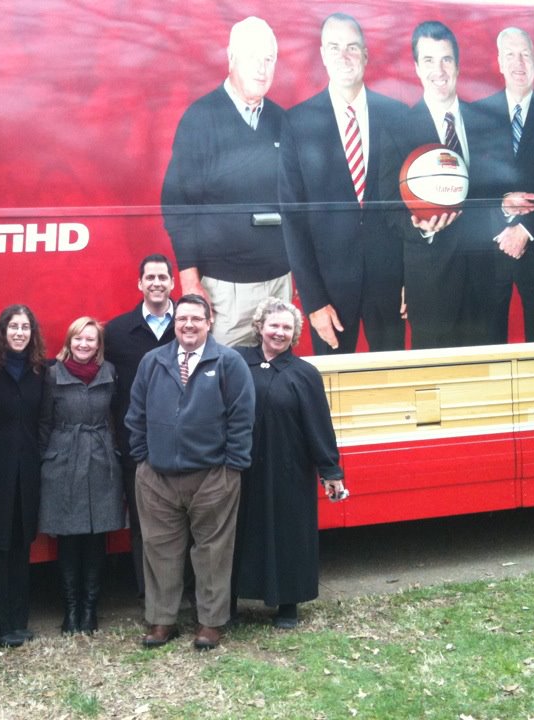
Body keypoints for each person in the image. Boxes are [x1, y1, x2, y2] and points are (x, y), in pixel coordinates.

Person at [126, 293, 255, 650]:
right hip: (157, 478)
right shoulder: (153, 362)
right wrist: (143, 459)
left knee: (212, 553)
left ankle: (210, 623)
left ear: (208, 321)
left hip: (213, 477)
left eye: (196, 318)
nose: (188, 325)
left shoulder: (229, 362)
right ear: (174, 322)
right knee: (159, 551)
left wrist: (232, 468)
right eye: (181, 318)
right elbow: (135, 414)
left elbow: (242, 419)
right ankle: (161, 621)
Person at [279, 13, 407, 354]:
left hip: (391, 284)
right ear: (322, 55)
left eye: (352, 47)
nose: (344, 56)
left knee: (395, 384)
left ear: (365, 55)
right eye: (335, 47)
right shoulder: (297, 123)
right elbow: (293, 218)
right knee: (332, 394)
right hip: (330, 294)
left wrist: (410, 278)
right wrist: (313, 301)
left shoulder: (397, 115)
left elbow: (410, 203)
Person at [161, 16, 291, 346]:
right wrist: (190, 281)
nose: (262, 69)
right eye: (253, 58)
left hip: (279, 283)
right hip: (225, 288)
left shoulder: (282, 121)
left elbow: (298, 202)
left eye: (269, 59)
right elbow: (177, 203)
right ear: (231, 58)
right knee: (226, 382)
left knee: (277, 378)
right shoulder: (200, 118)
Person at [382, 21, 498, 349]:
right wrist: (419, 226)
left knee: (488, 380)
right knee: (435, 384)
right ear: (417, 68)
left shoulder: (484, 122)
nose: (439, 69)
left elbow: (494, 190)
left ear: (458, 66)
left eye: (446, 59)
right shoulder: (397, 128)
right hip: (430, 284)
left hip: (483, 281)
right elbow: (388, 207)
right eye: (429, 60)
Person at [231, 298, 346, 629]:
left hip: (289, 469)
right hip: (242, 466)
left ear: (295, 333)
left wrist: (330, 471)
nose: (279, 332)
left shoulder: (305, 374)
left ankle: (288, 604)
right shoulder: (236, 362)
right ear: (260, 327)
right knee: (237, 533)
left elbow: (319, 426)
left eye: (286, 327)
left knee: (288, 533)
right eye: (273, 325)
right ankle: (229, 601)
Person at [475, 27, 534, 343]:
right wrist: (501, 208)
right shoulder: (477, 115)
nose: (518, 62)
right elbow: (471, 183)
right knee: (490, 342)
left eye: (525, 54)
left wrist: (524, 230)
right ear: (499, 62)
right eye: (510, 54)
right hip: (489, 246)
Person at [39, 317, 125, 634]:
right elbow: (44, 422)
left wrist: (114, 452)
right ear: (69, 341)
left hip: (101, 458)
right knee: (68, 539)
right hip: (63, 460)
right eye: (78, 339)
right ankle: (70, 609)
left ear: (98, 345)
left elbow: (117, 416)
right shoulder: (52, 375)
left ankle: (90, 610)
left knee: (96, 538)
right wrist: (45, 459)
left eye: (90, 339)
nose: (84, 344)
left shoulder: (110, 373)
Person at [0, 305, 47, 648]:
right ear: (2, 332)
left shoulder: (39, 371)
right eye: (13, 326)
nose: (19, 332)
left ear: (33, 333)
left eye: (25, 327)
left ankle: (16, 620)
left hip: (26, 472)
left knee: (19, 544)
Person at [104, 254, 176, 597]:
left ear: (172, 283)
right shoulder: (117, 332)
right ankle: (152, 600)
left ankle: (184, 597)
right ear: (140, 283)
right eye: (150, 277)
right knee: (144, 528)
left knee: (185, 525)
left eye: (163, 276)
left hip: (187, 447)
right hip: (138, 449)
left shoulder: (191, 326)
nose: (157, 282)